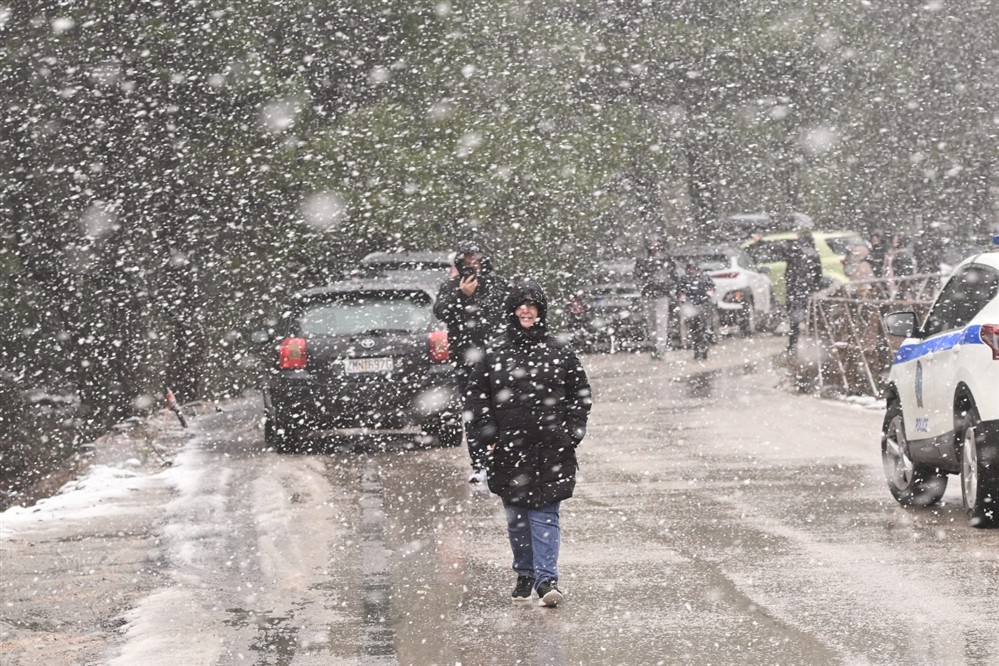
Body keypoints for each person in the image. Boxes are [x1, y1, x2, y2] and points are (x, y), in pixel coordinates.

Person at [465, 281, 592, 607]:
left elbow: (580, 394)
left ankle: (547, 578)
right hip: (509, 448)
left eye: (532, 305)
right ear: (512, 311)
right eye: (521, 305)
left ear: (541, 311)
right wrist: (489, 437)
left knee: (546, 513)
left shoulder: (560, 351)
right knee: (518, 516)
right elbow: (477, 400)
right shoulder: (494, 353)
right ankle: (525, 572)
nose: (526, 310)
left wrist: (572, 432)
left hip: (552, 448)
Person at [434, 240, 512, 483]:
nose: (471, 266)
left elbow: (502, 313)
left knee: (505, 412)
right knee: (474, 414)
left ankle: (503, 460)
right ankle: (479, 464)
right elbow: (440, 311)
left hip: (499, 359)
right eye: (466, 262)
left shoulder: (498, 285)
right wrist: (462, 294)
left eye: (475, 261)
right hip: (465, 362)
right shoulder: (450, 287)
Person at [634, 236, 679, 359]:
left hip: (661, 295)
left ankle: (661, 348)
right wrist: (644, 286)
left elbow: (673, 275)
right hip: (648, 295)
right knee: (651, 322)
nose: (654, 247)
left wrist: (667, 286)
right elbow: (638, 276)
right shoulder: (642, 260)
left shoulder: (666, 259)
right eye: (652, 244)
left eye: (657, 244)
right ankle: (654, 346)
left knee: (661, 321)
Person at [783, 229, 823, 351]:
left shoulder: (794, 252)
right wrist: (813, 286)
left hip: (795, 289)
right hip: (807, 288)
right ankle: (812, 343)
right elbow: (818, 274)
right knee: (810, 317)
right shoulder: (813, 252)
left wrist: (790, 284)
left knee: (794, 318)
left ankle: (793, 343)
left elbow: (788, 272)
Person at [674, 261, 716, 360]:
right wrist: (683, 298)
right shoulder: (684, 279)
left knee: (704, 327)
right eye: (690, 268)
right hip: (691, 308)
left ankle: (704, 346)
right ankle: (696, 348)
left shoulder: (704, 278)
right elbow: (679, 292)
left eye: (694, 268)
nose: (692, 270)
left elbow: (711, 289)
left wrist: (707, 296)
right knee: (694, 329)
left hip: (703, 306)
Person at [884, 232, 917, 300]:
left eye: (896, 239)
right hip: (894, 281)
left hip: (899, 283)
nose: (894, 241)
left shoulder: (903, 254)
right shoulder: (893, 253)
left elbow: (906, 270)